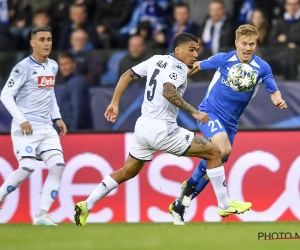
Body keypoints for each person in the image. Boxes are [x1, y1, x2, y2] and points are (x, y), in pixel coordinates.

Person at [74, 32, 252, 226]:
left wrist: (114, 103)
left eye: (197, 50)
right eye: (191, 50)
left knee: (127, 171)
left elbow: (127, 75)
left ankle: (87, 204)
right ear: (177, 50)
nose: (194, 54)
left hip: (143, 127)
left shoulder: (156, 60)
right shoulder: (178, 68)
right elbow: (168, 90)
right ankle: (225, 204)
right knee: (215, 152)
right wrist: (194, 112)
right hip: (163, 129)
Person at [170, 24, 287, 225]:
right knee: (222, 150)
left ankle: (180, 204)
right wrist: (172, 80)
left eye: (252, 44)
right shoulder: (224, 59)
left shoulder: (262, 68)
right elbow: (195, 66)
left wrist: (278, 99)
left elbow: (273, 90)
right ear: (236, 43)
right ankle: (222, 205)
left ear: (256, 44)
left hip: (231, 124)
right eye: (244, 43)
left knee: (215, 163)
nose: (248, 48)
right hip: (209, 113)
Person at [0, 27, 67, 226]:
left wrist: (58, 118)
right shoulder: (23, 68)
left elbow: (50, 94)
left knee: (58, 167)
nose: (46, 43)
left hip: (47, 128)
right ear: (32, 43)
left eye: (49, 39)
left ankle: (42, 216)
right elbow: (5, 95)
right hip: (25, 129)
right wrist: (22, 120)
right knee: (27, 166)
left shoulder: (53, 66)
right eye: (42, 39)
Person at [57, 52, 92, 130]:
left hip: (74, 133)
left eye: (66, 64)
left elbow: (78, 110)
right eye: (61, 64)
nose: (64, 67)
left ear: (74, 64)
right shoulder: (70, 82)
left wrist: (72, 133)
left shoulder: (76, 83)